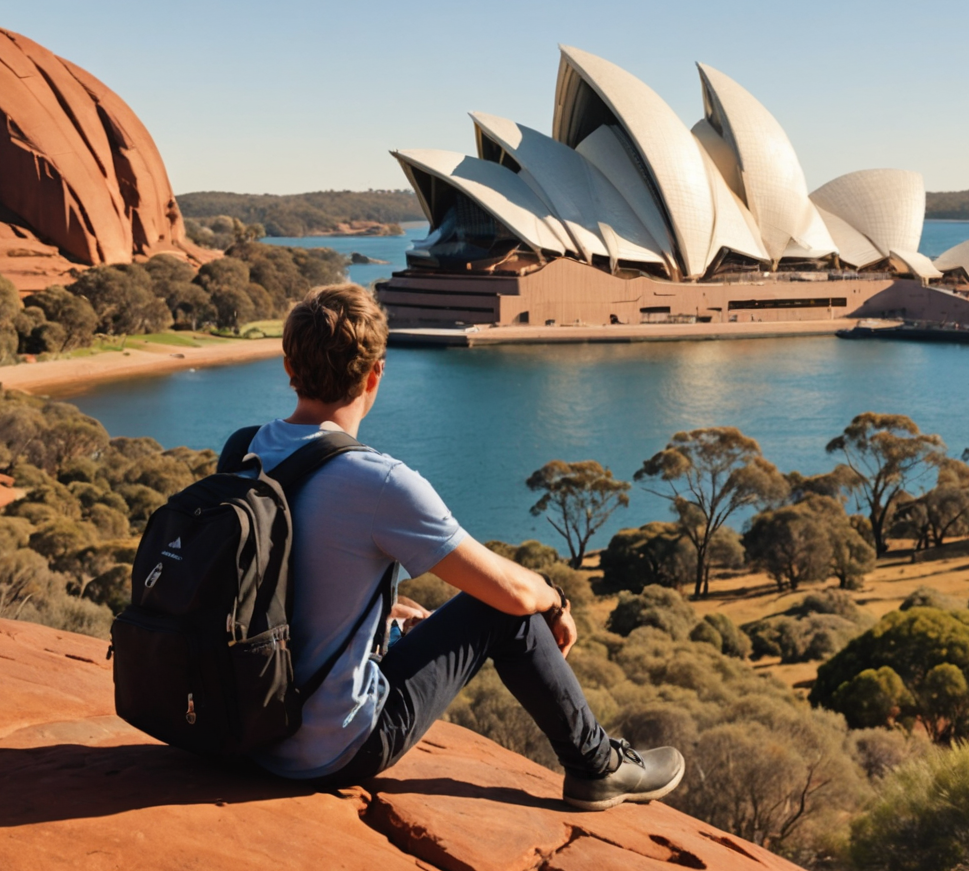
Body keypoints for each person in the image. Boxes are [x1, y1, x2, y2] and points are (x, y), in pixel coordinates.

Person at [245, 281, 682, 809]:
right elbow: (511, 595)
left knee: (456, 610)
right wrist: (556, 598)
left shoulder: (244, 449)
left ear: (289, 369)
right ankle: (597, 765)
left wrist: (376, 614)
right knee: (503, 610)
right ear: (374, 374)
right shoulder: (379, 481)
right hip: (331, 747)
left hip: (245, 729)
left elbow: (264, 587)